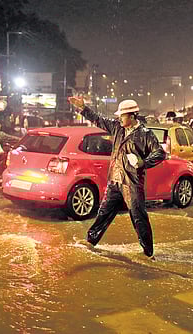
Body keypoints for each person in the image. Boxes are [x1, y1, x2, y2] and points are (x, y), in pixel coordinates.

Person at [68, 97, 166, 260]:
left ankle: (148, 253)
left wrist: (143, 163)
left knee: (138, 217)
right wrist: (83, 108)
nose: (119, 118)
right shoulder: (117, 128)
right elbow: (98, 119)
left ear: (132, 116)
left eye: (122, 115)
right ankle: (91, 240)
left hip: (132, 183)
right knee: (104, 212)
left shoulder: (145, 134)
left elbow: (160, 153)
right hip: (115, 179)